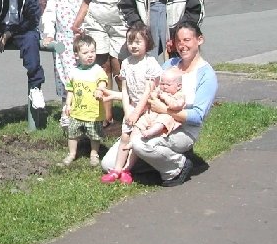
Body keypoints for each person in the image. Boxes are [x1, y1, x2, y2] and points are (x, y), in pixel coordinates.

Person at [111, 21, 218, 187]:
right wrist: (114, 95)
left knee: (139, 144)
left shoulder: (206, 75)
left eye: (187, 40)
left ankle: (178, 166)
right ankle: (154, 159)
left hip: (182, 129)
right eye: (178, 41)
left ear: (199, 40)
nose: (182, 45)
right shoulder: (170, 64)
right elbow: (148, 92)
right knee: (109, 164)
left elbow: (197, 117)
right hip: (151, 120)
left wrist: (166, 110)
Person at [72, 0, 137, 127]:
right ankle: (105, 115)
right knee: (101, 67)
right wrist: (77, 23)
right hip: (96, 23)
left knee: (119, 66)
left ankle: (130, 110)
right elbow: (87, 0)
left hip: (121, 23)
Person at [99, 24, 162, 184]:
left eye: (138, 42)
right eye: (130, 42)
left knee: (135, 139)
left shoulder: (150, 63)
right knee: (125, 136)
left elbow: (148, 92)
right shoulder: (126, 63)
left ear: (147, 43)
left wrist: (136, 113)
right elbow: (125, 90)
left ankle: (127, 169)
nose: (133, 46)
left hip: (147, 109)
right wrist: (127, 111)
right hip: (133, 106)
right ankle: (117, 169)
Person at [41, 0, 87, 129]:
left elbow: (89, 11)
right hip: (63, 41)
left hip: (82, 39)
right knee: (65, 75)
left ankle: (84, 110)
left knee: (84, 73)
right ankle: (66, 111)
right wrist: (48, 34)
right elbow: (49, 14)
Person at [63, 34, 109, 166]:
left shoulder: (97, 70)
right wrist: (68, 104)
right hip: (76, 112)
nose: (90, 55)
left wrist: (100, 89)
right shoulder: (73, 72)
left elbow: (103, 81)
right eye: (85, 53)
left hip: (93, 113)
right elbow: (70, 90)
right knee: (72, 134)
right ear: (76, 55)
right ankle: (72, 153)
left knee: (94, 135)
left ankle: (94, 154)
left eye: (92, 52)